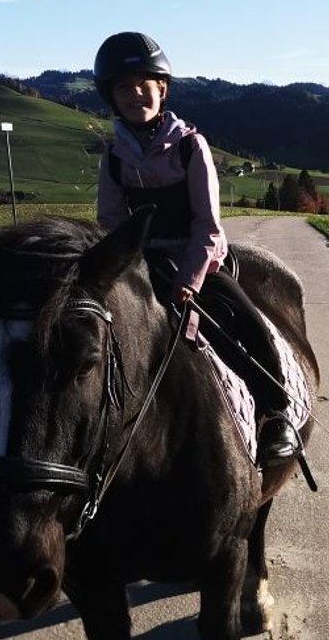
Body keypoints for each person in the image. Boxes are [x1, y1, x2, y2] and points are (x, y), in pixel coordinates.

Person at [93, 31, 299, 467]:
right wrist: (125, 267)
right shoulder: (113, 158)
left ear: (162, 90)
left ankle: (278, 412)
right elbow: (111, 223)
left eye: (144, 85)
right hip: (143, 264)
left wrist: (189, 280)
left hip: (197, 261)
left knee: (244, 320)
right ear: (112, 97)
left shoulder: (190, 147)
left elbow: (207, 224)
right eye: (124, 87)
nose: (135, 94)